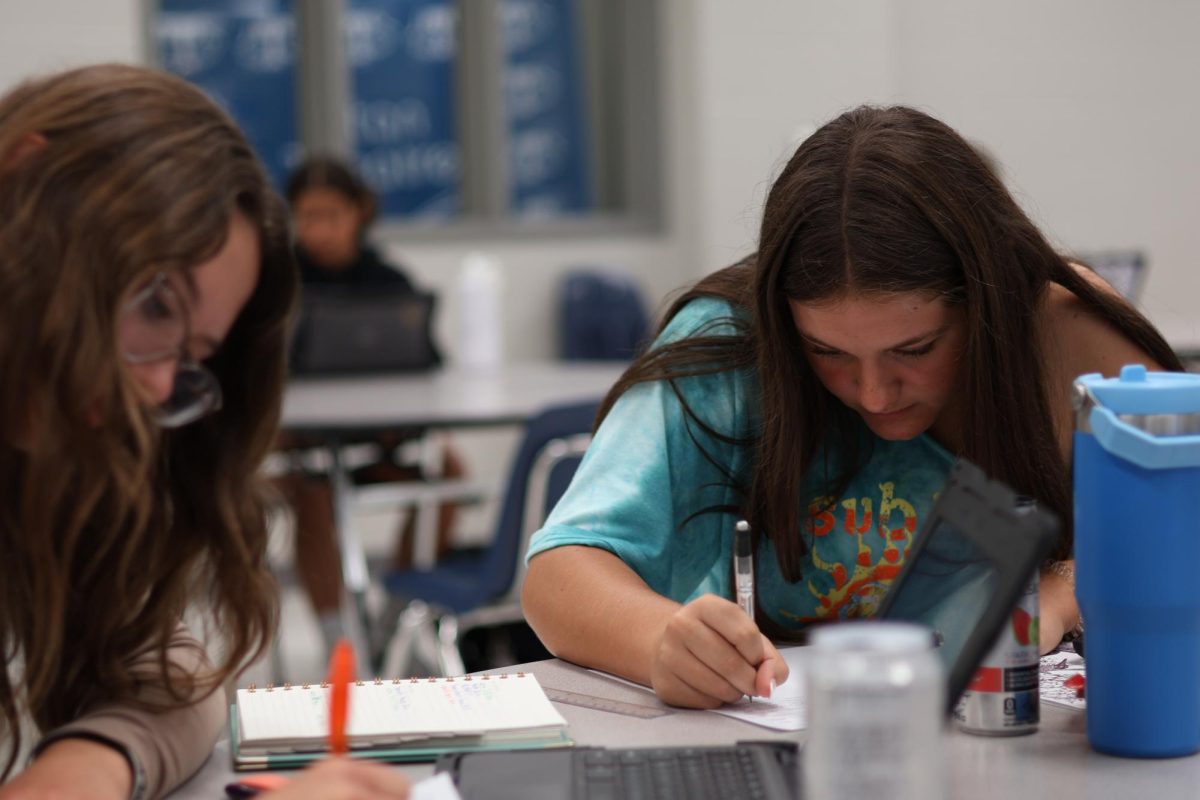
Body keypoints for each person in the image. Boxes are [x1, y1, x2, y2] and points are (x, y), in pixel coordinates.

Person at [521, 105, 1182, 710]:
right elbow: (557, 576)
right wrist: (661, 639)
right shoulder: (728, 343)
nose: (873, 394)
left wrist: (1065, 588)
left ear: (986, 303)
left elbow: (1181, 526)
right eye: (826, 351)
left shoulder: (1061, 332)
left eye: (914, 348)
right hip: (782, 735)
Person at [0, 65, 408, 799]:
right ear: (24, 182)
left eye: (193, 357)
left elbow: (173, 670)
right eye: (156, 304)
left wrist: (91, 759)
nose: (159, 385)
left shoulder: (46, 467)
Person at [275, 157, 466, 653]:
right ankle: (338, 639)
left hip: (375, 442)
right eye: (306, 216)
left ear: (358, 213)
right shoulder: (276, 284)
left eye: (329, 215)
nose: (317, 229)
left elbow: (428, 362)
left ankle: (392, 614)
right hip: (300, 446)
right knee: (313, 488)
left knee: (449, 472)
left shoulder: (389, 281)